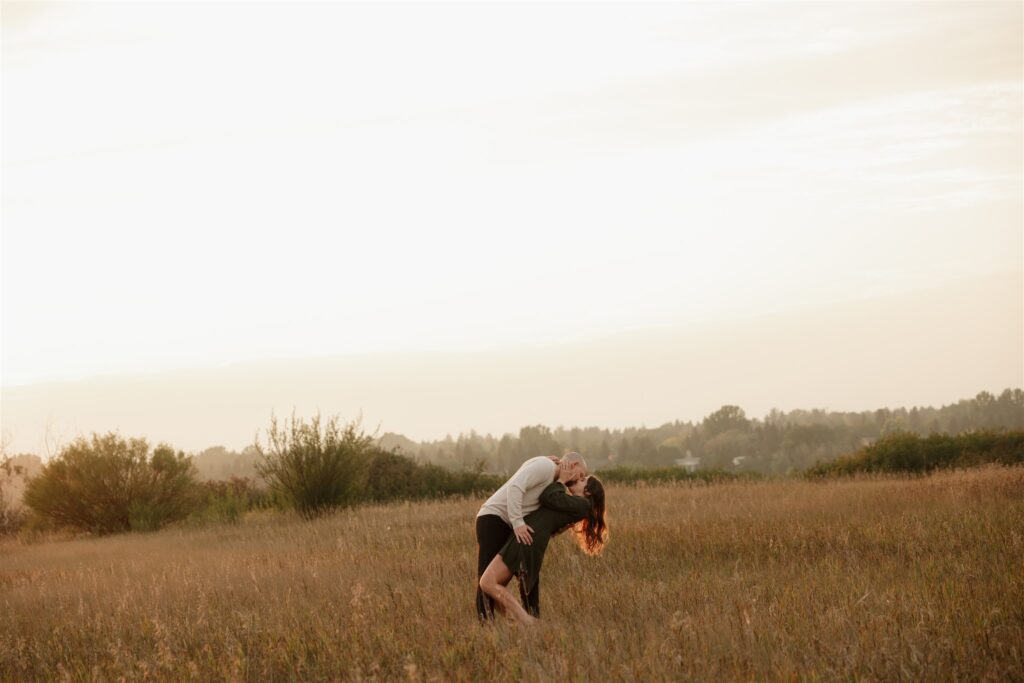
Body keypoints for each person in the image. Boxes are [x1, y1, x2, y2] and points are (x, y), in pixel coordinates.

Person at [478, 470, 607, 625]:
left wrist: (561, 480)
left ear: (587, 491)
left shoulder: (583, 504)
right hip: (526, 536)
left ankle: (528, 622)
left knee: (487, 582)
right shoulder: (575, 504)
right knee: (494, 586)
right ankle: (520, 624)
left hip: (526, 538)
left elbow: (548, 496)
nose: (579, 478)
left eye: (583, 480)